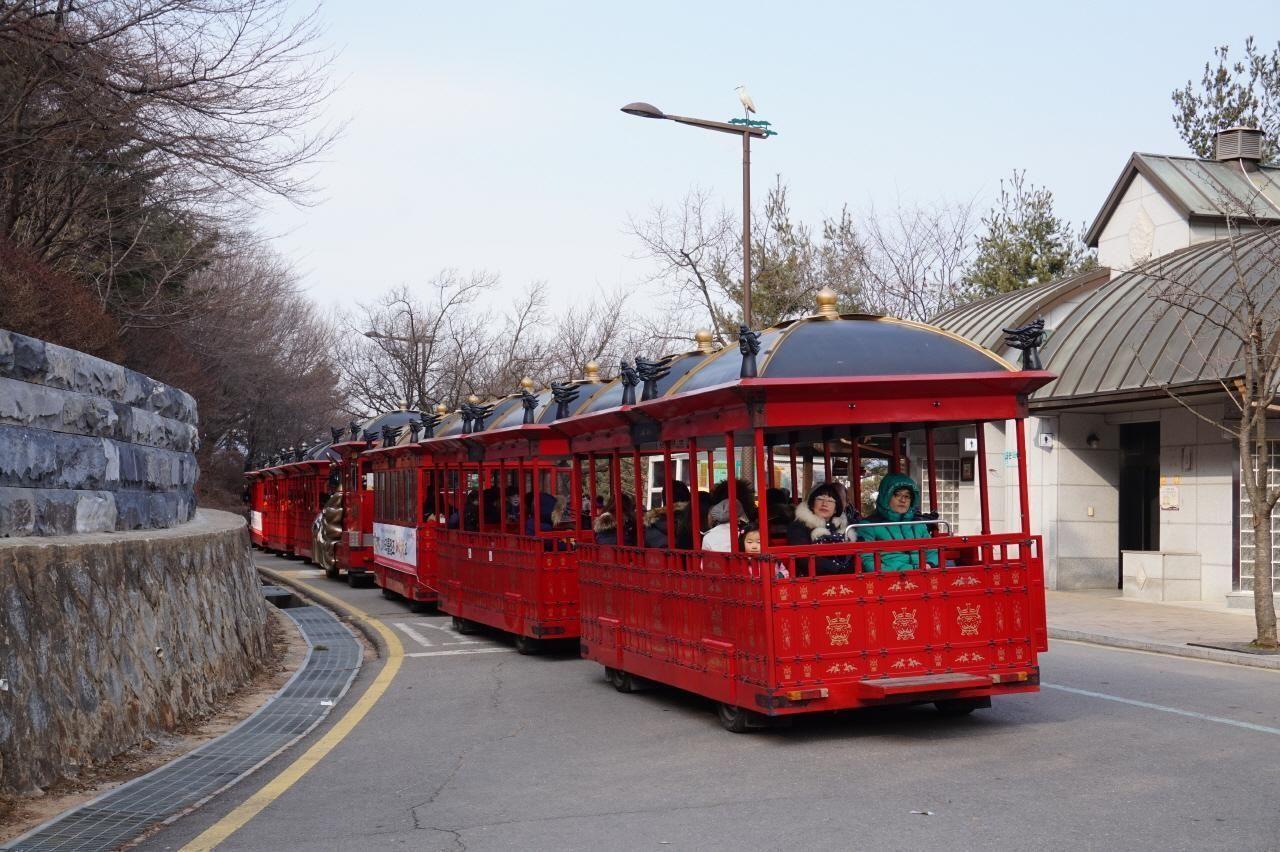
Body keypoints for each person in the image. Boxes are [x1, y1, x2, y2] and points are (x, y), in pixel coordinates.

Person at [855, 472, 938, 572]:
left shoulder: (918, 525)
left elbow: (932, 550)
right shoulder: (869, 525)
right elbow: (867, 560)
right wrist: (897, 573)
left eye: (907, 496)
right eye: (897, 495)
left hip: (923, 575)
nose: (903, 500)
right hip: (888, 580)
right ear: (886, 497)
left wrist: (929, 564)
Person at [786, 482, 852, 575]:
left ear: (836, 509)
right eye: (820, 499)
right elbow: (803, 558)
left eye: (830, 501)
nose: (824, 504)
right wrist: (838, 570)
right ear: (812, 505)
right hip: (810, 579)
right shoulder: (798, 526)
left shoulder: (843, 528)